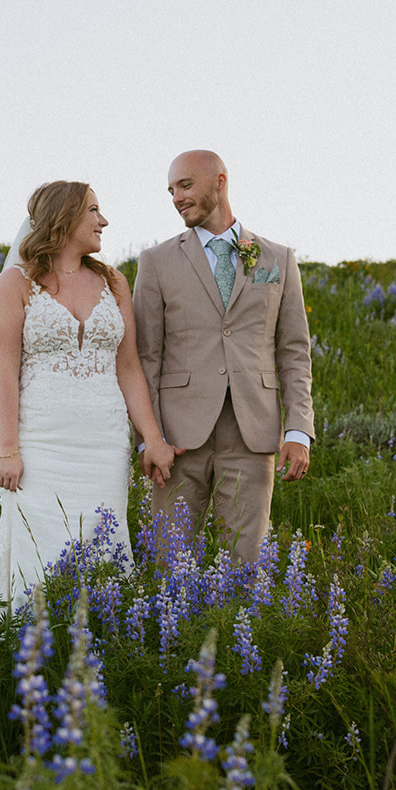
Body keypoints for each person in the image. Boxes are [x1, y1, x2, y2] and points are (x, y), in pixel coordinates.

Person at [0, 181, 179, 606]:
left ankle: (97, 637)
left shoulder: (114, 281)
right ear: (64, 218)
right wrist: (7, 449)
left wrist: (151, 438)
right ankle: (24, 650)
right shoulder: (16, 284)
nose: (104, 221)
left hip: (104, 445)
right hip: (41, 444)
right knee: (35, 552)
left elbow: (129, 366)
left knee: (103, 547)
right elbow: (2, 372)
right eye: (93, 211)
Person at [132, 150, 315, 564]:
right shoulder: (156, 262)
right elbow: (146, 357)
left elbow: (294, 351)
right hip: (177, 439)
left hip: (253, 431)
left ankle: (238, 631)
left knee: (246, 562)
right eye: (171, 190)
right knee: (168, 562)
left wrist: (299, 430)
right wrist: (149, 438)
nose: (176, 197)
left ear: (219, 181)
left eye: (185, 185)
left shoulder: (277, 258)